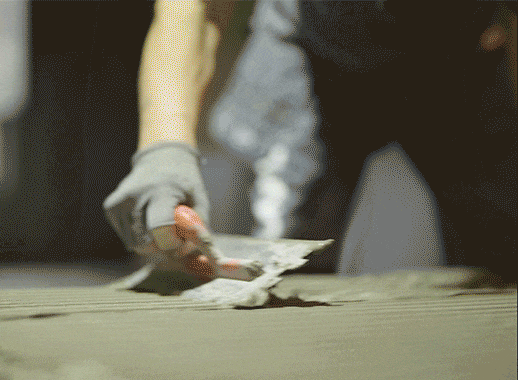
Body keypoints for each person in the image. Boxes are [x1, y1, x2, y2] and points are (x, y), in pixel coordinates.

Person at [104, 1, 516, 283]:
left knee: (505, 248)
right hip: (311, 51)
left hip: (458, 57)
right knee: (277, 270)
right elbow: (196, 9)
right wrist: (165, 149)